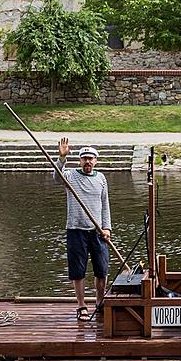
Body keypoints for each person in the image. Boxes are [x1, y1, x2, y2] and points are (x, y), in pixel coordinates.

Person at [55, 137, 111, 321]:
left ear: (96, 161)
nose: (87, 161)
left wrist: (107, 228)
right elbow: (56, 177)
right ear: (80, 160)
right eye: (84, 158)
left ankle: (100, 302)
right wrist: (62, 158)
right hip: (76, 230)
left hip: (97, 232)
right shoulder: (71, 176)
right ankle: (81, 306)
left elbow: (105, 205)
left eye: (91, 158)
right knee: (78, 271)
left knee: (101, 270)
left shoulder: (101, 178)